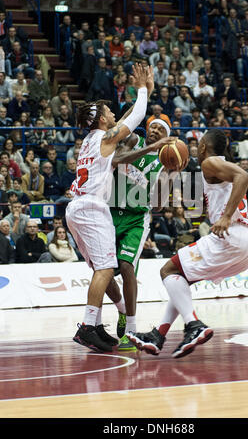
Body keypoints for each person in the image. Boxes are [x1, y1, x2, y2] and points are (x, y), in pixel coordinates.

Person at [127, 129, 248, 359]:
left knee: (167, 270)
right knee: (180, 279)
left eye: (199, 143)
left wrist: (226, 216)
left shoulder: (211, 163)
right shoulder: (215, 166)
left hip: (231, 236)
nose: (196, 146)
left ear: (204, 146)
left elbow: (244, 177)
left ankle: (194, 325)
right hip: (244, 244)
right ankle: (159, 335)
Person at [65, 64, 153, 353]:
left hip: (77, 207)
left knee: (100, 270)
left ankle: (99, 322)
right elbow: (136, 116)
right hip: (92, 207)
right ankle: (88, 326)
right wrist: (142, 91)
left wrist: (144, 94)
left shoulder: (92, 139)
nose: (115, 114)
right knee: (105, 268)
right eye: (110, 112)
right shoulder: (104, 138)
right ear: (102, 119)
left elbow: (124, 120)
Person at [103, 117, 178, 351]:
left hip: (136, 217)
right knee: (102, 272)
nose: (155, 130)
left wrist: (170, 174)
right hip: (110, 211)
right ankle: (122, 309)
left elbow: (156, 206)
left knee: (126, 266)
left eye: (161, 129)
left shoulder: (165, 162)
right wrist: (150, 148)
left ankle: (131, 330)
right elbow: (115, 159)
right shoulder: (134, 140)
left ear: (167, 136)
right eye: (153, 126)